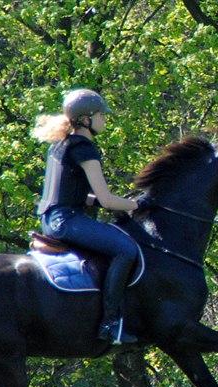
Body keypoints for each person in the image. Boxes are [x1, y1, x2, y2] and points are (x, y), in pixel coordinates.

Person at [33, 89, 140, 345]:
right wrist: (136, 204)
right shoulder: (84, 148)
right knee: (126, 250)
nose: (105, 120)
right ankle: (111, 324)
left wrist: (116, 204)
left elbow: (78, 194)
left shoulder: (61, 144)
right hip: (66, 221)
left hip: (51, 219)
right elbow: (104, 199)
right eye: (101, 115)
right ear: (86, 119)